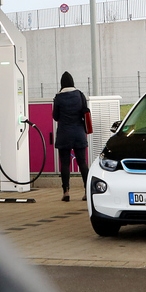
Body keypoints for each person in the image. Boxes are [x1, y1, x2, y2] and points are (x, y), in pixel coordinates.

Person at [52, 71, 91, 202]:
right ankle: (87, 192)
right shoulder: (80, 95)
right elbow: (85, 110)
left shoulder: (58, 97)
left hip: (64, 133)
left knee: (65, 163)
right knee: (82, 162)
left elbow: (55, 116)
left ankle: (66, 192)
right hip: (79, 133)